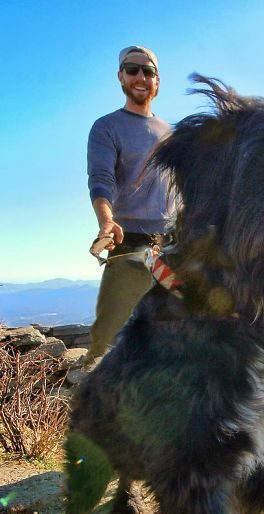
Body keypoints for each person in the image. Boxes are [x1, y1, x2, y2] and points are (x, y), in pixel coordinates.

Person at [84, 45, 174, 365]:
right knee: (108, 340)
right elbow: (101, 179)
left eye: (147, 71)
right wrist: (106, 220)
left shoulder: (172, 134)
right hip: (129, 241)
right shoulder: (107, 127)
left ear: (157, 81)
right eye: (132, 69)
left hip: (172, 246)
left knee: (174, 336)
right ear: (120, 76)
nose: (140, 77)